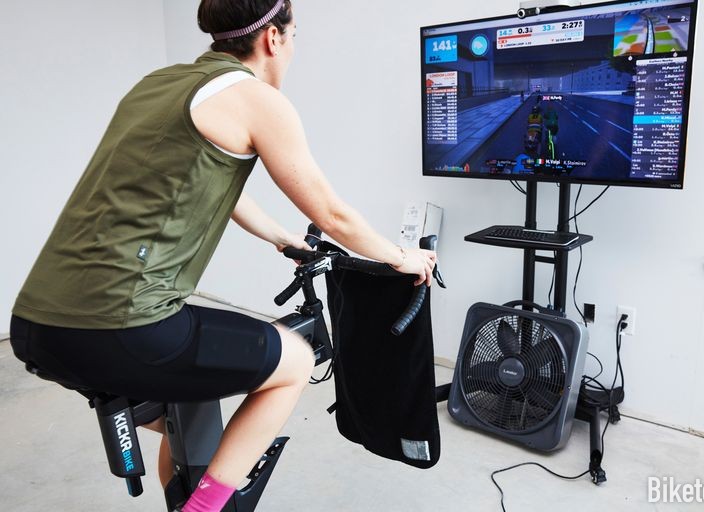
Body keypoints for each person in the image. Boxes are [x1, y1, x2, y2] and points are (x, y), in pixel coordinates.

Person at [8, 1, 436, 511]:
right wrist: (401, 257)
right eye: (294, 36)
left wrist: (281, 237)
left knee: (188, 414)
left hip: (39, 325)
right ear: (274, 38)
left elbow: (210, 184)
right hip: (122, 323)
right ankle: (204, 508)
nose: (292, 49)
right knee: (295, 361)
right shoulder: (257, 100)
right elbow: (331, 213)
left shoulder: (159, 84)